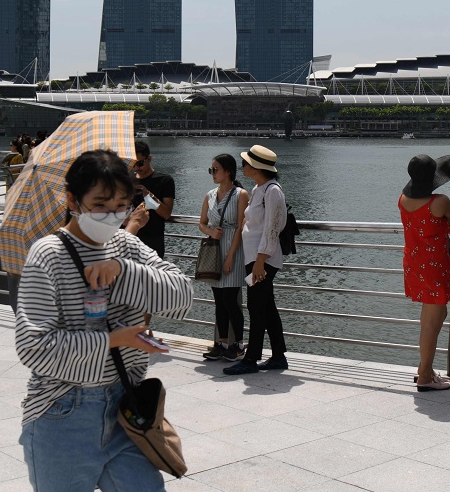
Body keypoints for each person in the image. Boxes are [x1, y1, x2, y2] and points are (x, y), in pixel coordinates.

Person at [15, 149, 193, 491]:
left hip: (125, 410)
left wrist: (124, 271)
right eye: (100, 204)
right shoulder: (47, 254)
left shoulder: (126, 245)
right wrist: (115, 339)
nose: (112, 215)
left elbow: (182, 298)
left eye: (121, 205)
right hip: (62, 412)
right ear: (72, 200)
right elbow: (32, 348)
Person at [398, 154, 450, 392]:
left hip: (415, 263)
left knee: (429, 318)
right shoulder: (441, 201)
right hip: (435, 266)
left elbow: (423, 223)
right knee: (433, 322)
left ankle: (423, 368)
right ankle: (425, 375)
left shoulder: (403, 199)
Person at [224, 145, 289, 375]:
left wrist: (261, 260)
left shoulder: (272, 191)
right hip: (255, 258)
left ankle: (251, 359)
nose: (243, 166)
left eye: (246, 162)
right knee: (267, 307)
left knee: (256, 306)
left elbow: (273, 227)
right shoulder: (259, 188)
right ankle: (279, 356)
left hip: (263, 260)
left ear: (256, 167)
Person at [199, 154, 249, 361]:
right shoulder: (209, 195)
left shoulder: (241, 194)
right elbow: (202, 223)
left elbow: (240, 227)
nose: (212, 173)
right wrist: (210, 232)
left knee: (231, 300)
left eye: (215, 169)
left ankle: (237, 343)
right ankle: (219, 343)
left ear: (227, 172)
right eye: (211, 170)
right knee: (219, 300)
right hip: (214, 250)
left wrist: (230, 257)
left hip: (233, 251)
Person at [131, 140, 175, 258]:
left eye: (140, 163)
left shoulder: (165, 180)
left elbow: (166, 214)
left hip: (153, 241)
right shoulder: (127, 181)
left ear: (149, 159)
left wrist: (148, 195)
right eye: (133, 164)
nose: (136, 168)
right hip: (130, 238)